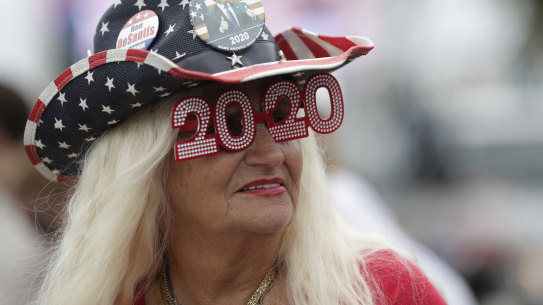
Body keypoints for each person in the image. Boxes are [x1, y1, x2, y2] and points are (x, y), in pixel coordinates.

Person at [24, 1, 447, 304]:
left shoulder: (383, 291)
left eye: (281, 114)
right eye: (230, 123)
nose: (270, 154)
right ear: (146, 166)